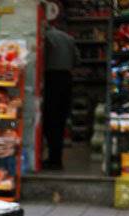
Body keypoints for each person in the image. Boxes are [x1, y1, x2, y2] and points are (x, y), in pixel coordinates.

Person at [43, 23, 80, 170]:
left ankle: (53, 159)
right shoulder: (68, 38)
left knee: (49, 120)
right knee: (60, 120)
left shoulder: (44, 38)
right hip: (66, 79)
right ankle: (56, 158)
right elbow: (77, 61)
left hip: (50, 79)